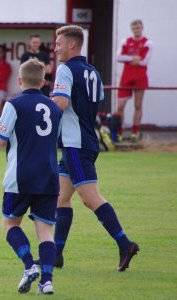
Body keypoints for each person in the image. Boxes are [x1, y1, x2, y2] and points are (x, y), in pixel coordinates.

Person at [50, 25, 139, 272]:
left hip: (76, 144)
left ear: (72, 45)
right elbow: (94, 102)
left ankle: (125, 243)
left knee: (90, 198)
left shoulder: (65, 69)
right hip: (82, 141)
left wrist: (37, 109)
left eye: (59, 43)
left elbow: (61, 101)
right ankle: (56, 255)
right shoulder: (93, 72)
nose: (56, 47)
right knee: (60, 198)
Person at [0, 58, 62, 295]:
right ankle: (47, 280)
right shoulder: (54, 107)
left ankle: (30, 266)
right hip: (49, 176)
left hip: (20, 177)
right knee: (45, 231)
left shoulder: (14, 104)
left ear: (19, 80)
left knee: (10, 223)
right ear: (43, 82)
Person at [116, 19, 153, 142]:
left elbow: (144, 61)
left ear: (142, 28)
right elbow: (118, 57)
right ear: (132, 29)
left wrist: (132, 60)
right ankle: (119, 132)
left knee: (138, 105)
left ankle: (134, 132)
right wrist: (133, 58)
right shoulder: (126, 41)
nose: (136, 30)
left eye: (138, 28)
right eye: (134, 28)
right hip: (126, 77)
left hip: (140, 77)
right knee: (120, 106)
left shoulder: (148, 43)